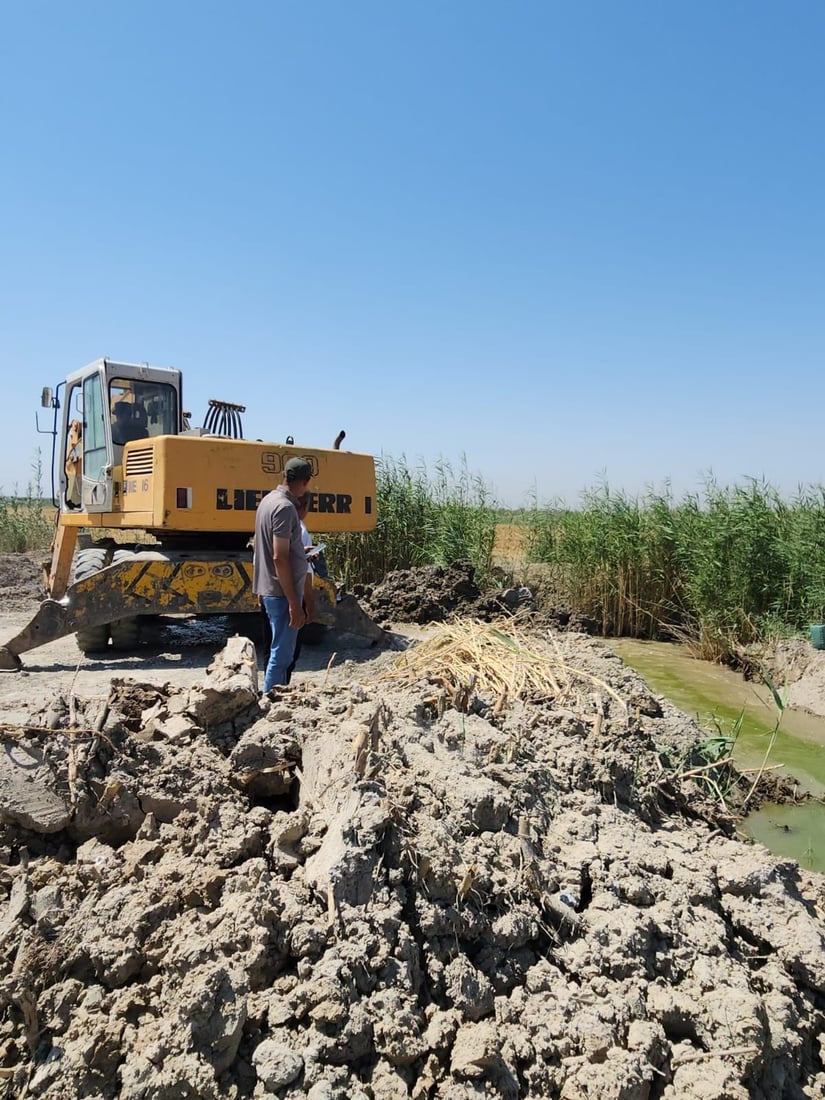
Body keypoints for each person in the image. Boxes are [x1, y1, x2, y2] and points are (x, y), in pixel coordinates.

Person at [253, 456, 314, 691]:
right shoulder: (286, 508)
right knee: (281, 656)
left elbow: (266, 547)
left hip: (270, 589)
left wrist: (300, 551)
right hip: (282, 593)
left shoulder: (268, 501)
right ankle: (270, 703)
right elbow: (279, 556)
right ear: (305, 482)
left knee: (277, 651)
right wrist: (293, 603)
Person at [285, 493, 317, 683]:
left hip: (275, 593)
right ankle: (280, 686)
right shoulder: (300, 530)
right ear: (304, 508)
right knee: (290, 650)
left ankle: (273, 687)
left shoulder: (274, 524)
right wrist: (309, 603)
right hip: (295, 595)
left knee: (276, 649)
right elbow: (304, 571)